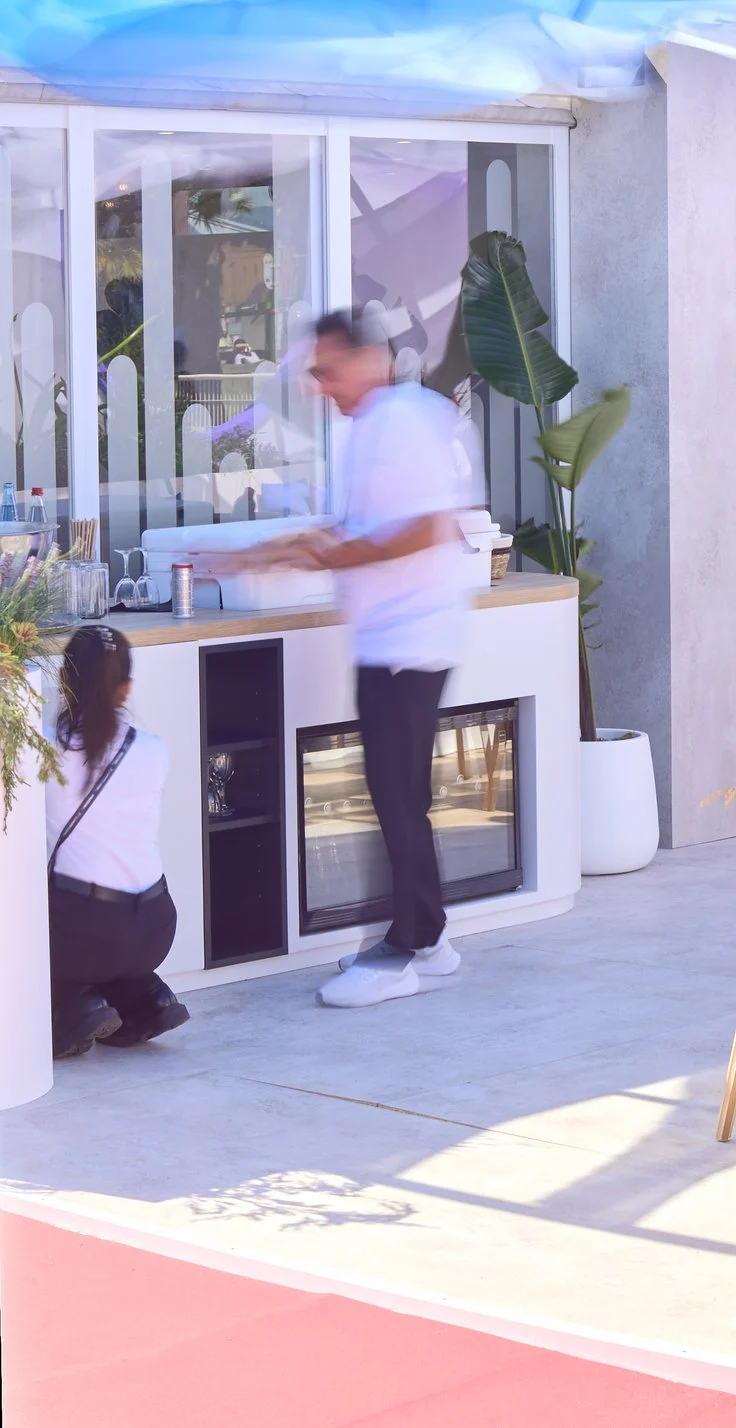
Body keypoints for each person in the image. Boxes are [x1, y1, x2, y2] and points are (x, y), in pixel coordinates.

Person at [237, 305, 480, 1011]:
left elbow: (430, 527)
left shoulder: (407, 419)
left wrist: (338, 552)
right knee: (401, 796)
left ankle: (402, 948)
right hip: (386, 641)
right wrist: (283, 550)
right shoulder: (367, 429)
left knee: (396, 798)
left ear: (367, 358)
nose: (318, 385)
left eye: (325, 369)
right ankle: (429, 938)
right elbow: (361, 526)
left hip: (410, 642)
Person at [46, 623, 187, 1058]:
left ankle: (73, 1005)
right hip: (155, 928)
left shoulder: (42, 751)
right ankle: (148, 997)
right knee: (108, 938)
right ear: (126, 688)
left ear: (64, 683)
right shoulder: (154, 748)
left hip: (85, 934)